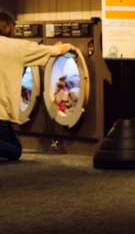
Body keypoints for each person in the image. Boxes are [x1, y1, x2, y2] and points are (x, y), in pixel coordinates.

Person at [0, 10, 80, 161]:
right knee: (14, 152)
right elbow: (55, 51)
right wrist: (69, 46)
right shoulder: (17, 47)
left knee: (15, 149)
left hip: (4, 117)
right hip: (1, 115)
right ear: (10, 28)